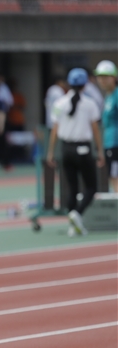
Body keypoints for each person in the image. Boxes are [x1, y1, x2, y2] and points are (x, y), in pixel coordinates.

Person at [46, 68, 105, 237]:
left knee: (72, 188)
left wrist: (51, 152)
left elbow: (55, 129)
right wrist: (99, 151)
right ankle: (77, 214)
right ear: (85, 84)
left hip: (66, 149)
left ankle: (73, 224)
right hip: (84, 149)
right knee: (91, 187)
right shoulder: (90, 104)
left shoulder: (59, 103)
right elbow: (95, 130)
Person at [95, 60, 118, 192]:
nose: (102, 80)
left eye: (105, 77)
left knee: (115, 176)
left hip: (116, 143)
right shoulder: (108, 96)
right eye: (100, 77)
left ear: (114, 77)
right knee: (113, 176)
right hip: (110, 143)